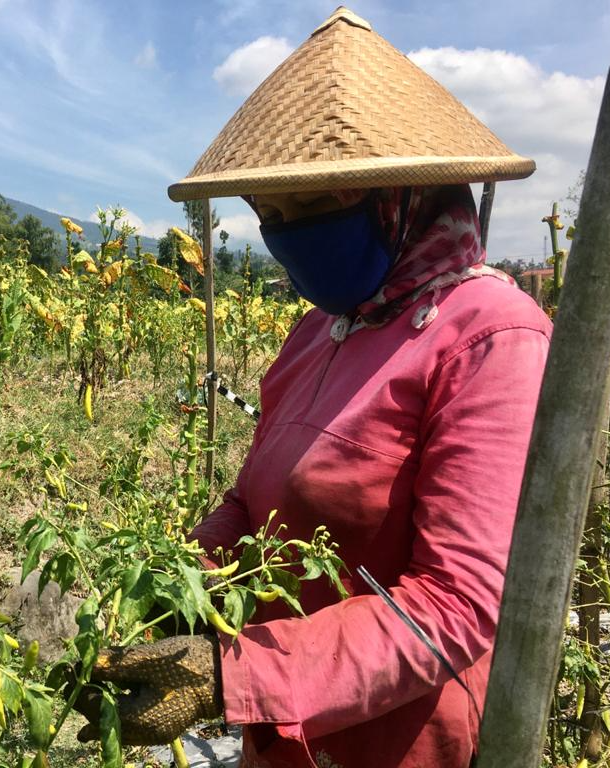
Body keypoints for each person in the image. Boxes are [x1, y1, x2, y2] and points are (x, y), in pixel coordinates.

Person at [72, 6, 553, 768]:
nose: (290, 229)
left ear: (404, 195)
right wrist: (169, 585)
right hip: (283, 731)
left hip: (398, 740)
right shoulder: (318, 332)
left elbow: (457, 607)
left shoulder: (492, 335)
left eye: (317, 204)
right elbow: (249, 505)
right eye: (272, 211)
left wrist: (231, 675)